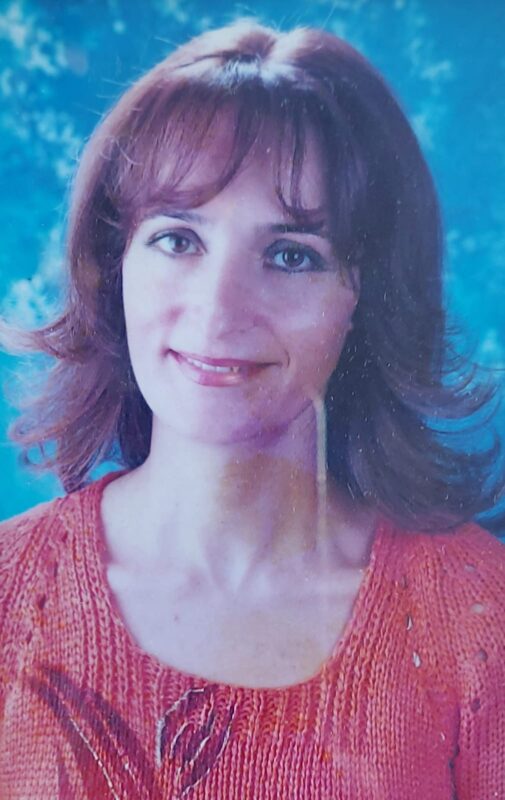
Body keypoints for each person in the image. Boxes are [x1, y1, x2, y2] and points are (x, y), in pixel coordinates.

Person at [1, 18, 504, 800]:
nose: (219, 309)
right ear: (113, 263)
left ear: (364, 299)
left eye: (290, 255)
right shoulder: (9, 593)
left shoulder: (482, 622)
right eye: (178, 240)